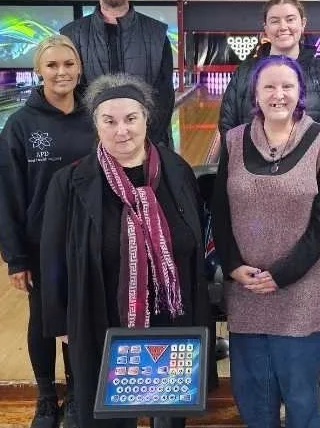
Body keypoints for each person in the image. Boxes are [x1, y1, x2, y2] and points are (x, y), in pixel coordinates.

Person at [40, 74, 211, 428]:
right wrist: (59, 320)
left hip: (171, 318)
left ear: (147, 118)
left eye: (131, 119)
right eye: (110, 121)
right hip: (102, 318)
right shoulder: (70, 183)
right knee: (109, 418)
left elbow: (195, 241)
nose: (122, 131)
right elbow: (53, 256)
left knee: (169, 417)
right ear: (96, 124)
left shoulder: (176, 170)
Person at [211, 55, 320, 428]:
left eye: (287, 86)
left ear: (300, 92)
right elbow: (219, 210)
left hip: (302, 288)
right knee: (253, 393)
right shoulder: (234, 141)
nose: (278, 94)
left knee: (301, 395)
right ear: (255, 92)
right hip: (246, 286)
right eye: (269, 86)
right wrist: (233, 265)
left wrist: (283, 274)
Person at [0, 34, 95, 428]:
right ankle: (45, 396)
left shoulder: (94, 116)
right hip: (41, 243)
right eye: (52, 65)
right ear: (39, 70)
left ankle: (74, 396)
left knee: (80, 319)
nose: (61, 72)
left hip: (88, 239)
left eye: (68, 64)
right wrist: (15, 257)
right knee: (42, 321)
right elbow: (8, 194)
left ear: (79, 68)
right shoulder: (21, 124)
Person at [60, 0, 175, 148]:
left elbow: (164, 96)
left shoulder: (156, 33)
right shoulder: (71, 35)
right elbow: (70, 96)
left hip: (148, 145)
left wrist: (141, 142)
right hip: (91, 148)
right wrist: (98, 140)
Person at [219, 0, 320, 154]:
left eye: (290, 19)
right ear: (265, 28)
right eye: (274, 21)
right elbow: (228, 125)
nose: (283, 27)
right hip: (253, 170)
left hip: (308, 174)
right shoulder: (245, 72)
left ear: (303, 24)